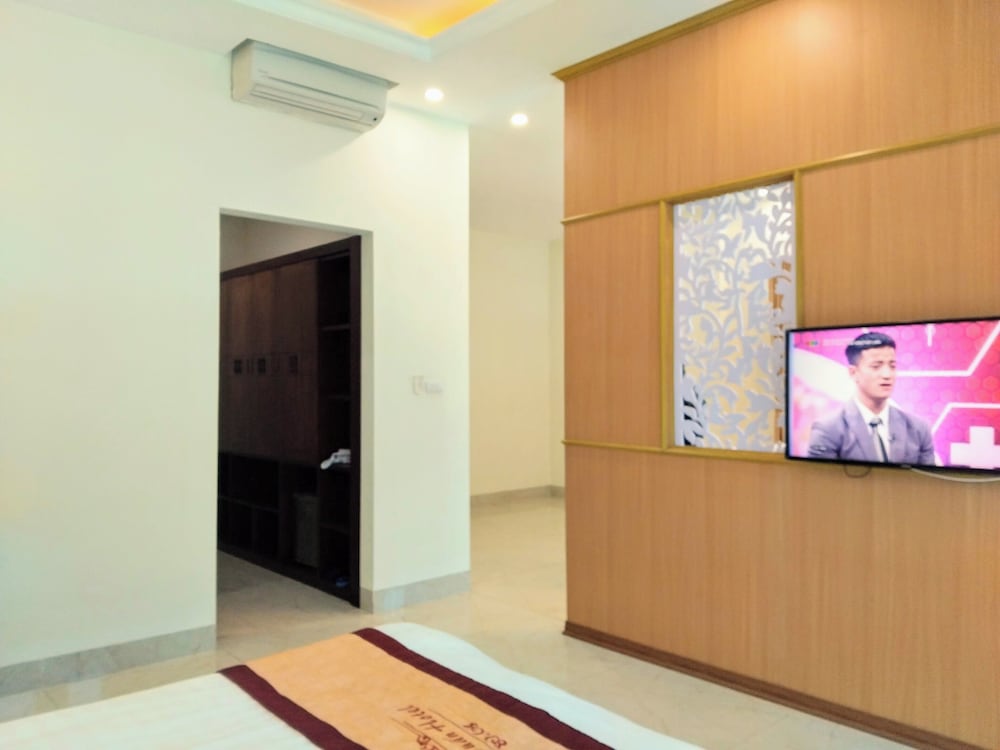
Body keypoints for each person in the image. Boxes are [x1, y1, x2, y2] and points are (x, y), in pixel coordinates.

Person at [807, 331, 936, 465]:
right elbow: (821, 477)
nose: (887, 375)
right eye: (876, 366)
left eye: (892, 366)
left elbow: (928, 476)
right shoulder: (828, 429)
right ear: (853, 373)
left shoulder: (918, 428)